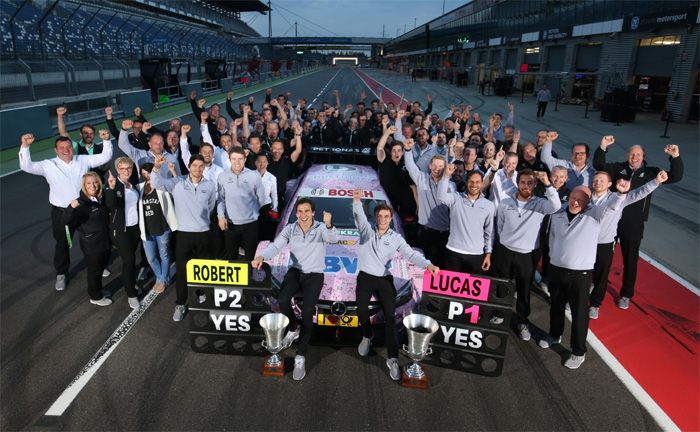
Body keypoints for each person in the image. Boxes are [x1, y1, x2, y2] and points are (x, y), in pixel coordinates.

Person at [538, 180, 631, 369]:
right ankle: (555, 334)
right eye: (573, 197)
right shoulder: (558, 213)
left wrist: (620, 194)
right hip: (557, 269)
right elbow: (552, 237)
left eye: (581, 199)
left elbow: (612, 205)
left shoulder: (595, 214)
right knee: (555, 306)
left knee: (580, 312)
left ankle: (578, 351)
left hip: (580, 274)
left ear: (588, 202)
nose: (575, 202)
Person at [351, 189, 439, 381]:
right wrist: (356, 201)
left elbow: (411, 254)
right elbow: (359, 217)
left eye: (386, 216)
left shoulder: (396, 238)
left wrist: (428, 264)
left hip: (384, 279)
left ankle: (392, 359)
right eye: (380, 216)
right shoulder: (366, 232)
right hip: (365, 277)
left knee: (390, 318)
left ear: (391, 218)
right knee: (361, 311)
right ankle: (367, 336)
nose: (383, 219)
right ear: (375, 218)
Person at [592, 137, 683, 309]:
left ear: (643, 156)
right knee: (602, 258)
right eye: (632, 154)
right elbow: (599, 165)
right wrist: (603, 146)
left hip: (632, 224)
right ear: (628, 155)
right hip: (611, 222)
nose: (634, 157)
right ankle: (594, 284)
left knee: (630, 260)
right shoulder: (618, 168)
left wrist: (675, 157)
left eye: (638, 154)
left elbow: (676, 176)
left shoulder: (651, 173)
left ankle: (626, 294)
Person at [252, 198, 336, 381]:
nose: (303, 215)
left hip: (314, 274)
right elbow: (276, 245)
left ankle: (301, 356)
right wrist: (262, 257)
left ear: (313, 213)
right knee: (282, 300)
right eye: (300, 211)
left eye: (307, 211)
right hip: (296, 271)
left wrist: (329, 224)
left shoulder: (321, 228)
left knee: (307, 310)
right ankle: (293, 328)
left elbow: (333, 239)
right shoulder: (290, 229)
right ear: (296, 213)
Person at [18, 131, 113, 291]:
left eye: (68, 146)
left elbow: (105, 157)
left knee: (91, 239)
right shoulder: (47, 165)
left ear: (72, 148)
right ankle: (61, 273)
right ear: (56, 150)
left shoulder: (82, 160)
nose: (66, 150)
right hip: (62, 213)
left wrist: (106, 140)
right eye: (62, 147)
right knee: (62, 243)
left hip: (84, 211)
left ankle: (97, 265)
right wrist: (25, 146)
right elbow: (26, 166)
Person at [492, 169, 561, 341]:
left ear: (535, 184)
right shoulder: (505, 202)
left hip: (526, 255)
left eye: (530, 183)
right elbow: (499, 225)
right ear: (518, 183)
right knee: (502, 285)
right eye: (523, 182)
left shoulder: (541, 203)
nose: (526, 186)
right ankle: (500, 312)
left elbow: (556, 206)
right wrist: (507, 241)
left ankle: (523, 321)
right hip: (505, 251)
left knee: (524, 290)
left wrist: (547, 183)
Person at [588, 169, 668, 319]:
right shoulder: (586, 196)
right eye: (596, 180)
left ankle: (595, 304)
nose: (598, 182)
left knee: (602, 275)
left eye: (602, 181)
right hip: (585, 242)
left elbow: (640, 192)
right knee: (583, 272)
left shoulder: (619, 197)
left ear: (609, 184)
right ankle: (576, 298)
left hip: (605, 243)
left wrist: (656, 181)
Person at [151, 154, 217, 322]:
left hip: (203, 234)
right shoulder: (177, 183)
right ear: (189, 166)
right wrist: (156, 168)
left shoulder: (209, 186)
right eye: (194, 166)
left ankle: (202, 294)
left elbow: (210, 207)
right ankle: (181, 304)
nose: (197, 169)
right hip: (183, 235)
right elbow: (156, 183)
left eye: (201, 166)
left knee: (204, 271)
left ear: (204, 168)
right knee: (182, 272)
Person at [63, 172, 112, 306]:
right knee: (94, 271)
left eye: (95, 182)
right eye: (89, 183)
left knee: (101, 268)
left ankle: (99, 290)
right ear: (84, 186)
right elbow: (66, 220)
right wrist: (70, 208)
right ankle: (95, 296)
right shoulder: (80, 203)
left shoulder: (100, 198)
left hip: (104, 241)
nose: (93, 185)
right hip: (92, 244)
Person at [404, 139, 452, 267]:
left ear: (445, 168)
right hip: (424, 231)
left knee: (440, 265)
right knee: (423, 266)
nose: (437, 169)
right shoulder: (422, 179)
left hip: (443, 234)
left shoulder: (450, 185)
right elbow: (410, 166)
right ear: (430, 166)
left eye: (441, 167)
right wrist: (408, 150)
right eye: (435, 166)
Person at [438, 167, 495, 274]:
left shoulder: (489, 206)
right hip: (453, 251)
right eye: (471, 181)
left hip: (476, 255)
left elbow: (489, 232)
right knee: (451, 290)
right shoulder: (456, 199)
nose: (474, 185)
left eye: (477, 182)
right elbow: (441, 196)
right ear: (467, 182)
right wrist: (445, 176)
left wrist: (488, 253)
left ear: (482, 184)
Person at [217, 147, 267, 261]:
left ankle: (250, 279)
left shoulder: (254, 176)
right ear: (229, 159)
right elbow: (220, 200)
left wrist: (251, 212)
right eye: (234, 159)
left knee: (251, 259)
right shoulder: (222, 176)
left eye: (240, 159)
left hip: (251, 224)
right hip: (230, 225)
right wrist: (220, 216)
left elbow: (262, 199)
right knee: (232, 259)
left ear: (245, 159)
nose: (237, 162)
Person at [105, 158, 142, 309]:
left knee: (130, 260)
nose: (126, 171)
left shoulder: (132, 185)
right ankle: (131, 293)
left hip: (134, 228)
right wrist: (112, 188)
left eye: (129, 168)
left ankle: (131, 283)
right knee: (129, 260)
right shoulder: (113, 185)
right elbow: (110, 203)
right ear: (117, 170)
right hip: (121, 230)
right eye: (123, 169)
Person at [137, 162, 178, 294]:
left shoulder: (161, 185)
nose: (146, 175)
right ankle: (161, 277)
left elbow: (177, 185)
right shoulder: (139, 188)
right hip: (147, 230)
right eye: (143, 173)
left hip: (163, 228)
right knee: (151, 258)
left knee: (164, 255)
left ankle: (162, 280)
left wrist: (173, 171)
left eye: (148, 172)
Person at [376, 125, 417, 223]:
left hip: (406, 205)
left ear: (403, 152)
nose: (396, 153)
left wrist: (419, 207)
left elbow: (414, 188)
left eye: (399, 150)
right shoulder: (384, 160)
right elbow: (379, 148)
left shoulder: (408, 164)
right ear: (390, 152)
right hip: (388, 203)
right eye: (394, 150)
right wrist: (387, 133)